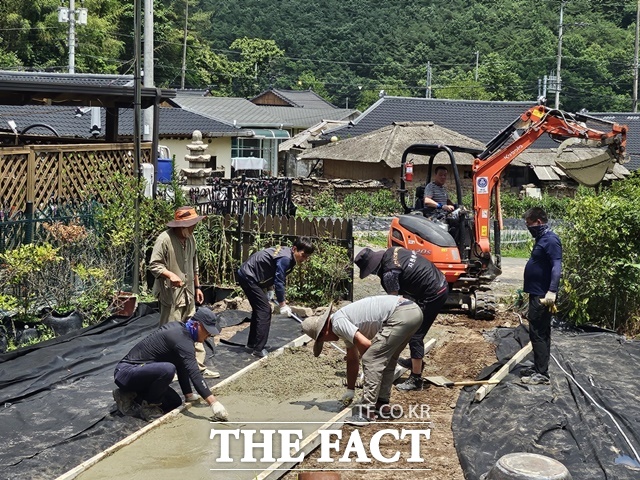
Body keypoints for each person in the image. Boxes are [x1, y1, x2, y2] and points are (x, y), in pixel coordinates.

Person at [301, 296, 423, 426]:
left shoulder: (337, 323)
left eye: (324, 340)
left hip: (400, 314)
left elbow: (366, 346)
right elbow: (352, 359)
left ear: (323, 332)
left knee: (372, 358)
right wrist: (350, 390)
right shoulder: (342, 324)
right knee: (388, 358)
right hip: (413, 312)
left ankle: (366, 412)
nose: (328, 341)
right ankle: (381, 405)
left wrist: (370, 370)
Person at [355, 246, 449, 391]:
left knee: (416, 334)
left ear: (374, 267)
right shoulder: (392, 252)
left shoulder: (389, 274)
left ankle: (416, 379)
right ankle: (414, 361)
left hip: (434, 292)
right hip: (435, 282)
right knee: (409, 324)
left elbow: (394, 305)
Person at [112, 307, 228, 422]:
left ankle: (127, 395)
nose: (208, 335)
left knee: (174, 402)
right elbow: (194, 373)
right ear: (196, 325)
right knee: (168, 369)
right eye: (207, 331)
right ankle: (148, 407)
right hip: (126, 373)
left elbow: (183, 365)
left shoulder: (183, 334)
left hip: (142, 374)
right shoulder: (180, 338)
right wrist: (213, 403)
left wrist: (189, 396)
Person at [148, 206, 218, 378]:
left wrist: (198, 287)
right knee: (170, 332)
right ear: (180, 225)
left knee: (196, 329)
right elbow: (154, 265)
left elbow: (194, 265)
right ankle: (168, 370)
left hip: (189, 294)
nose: (194, 227)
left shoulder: (191, 239)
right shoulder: (164, 239)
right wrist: (170, 274)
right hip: (171, 296)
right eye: (191, 224)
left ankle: (198, 367)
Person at [236, 237, 315, 357]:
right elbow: (279, 280)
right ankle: (258, 349)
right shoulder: (286, 258)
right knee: (265, 309)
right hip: (249, 276)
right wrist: (282, 304)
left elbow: (270, 269)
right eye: (303, 255)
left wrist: (269, 289)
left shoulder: (287, 253)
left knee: (259, 309)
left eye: (307, 257)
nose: (304, 259)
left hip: (249, 274)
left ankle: (252, 344)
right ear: (294, 249)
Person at [521, 207, 562, 386]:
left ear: (538, 221)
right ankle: (540, 367)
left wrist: (552, 291)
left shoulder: (551, 240)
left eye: (529, 224)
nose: (528, 227)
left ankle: (541, 374)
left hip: (543, 295)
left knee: (537, 332)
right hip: (536, 292)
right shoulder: (542, 238)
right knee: (541, 331)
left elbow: (556, 266)